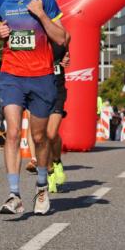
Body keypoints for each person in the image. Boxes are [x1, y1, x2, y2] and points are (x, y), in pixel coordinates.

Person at [0, 0, 68, 216]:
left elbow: (62, 38)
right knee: (12, 133)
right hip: (11, 75)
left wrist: (41, 16)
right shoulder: (3, 2)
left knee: (39, 137)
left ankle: (41, 186)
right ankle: (14, 195)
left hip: (41, 77)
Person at [46, 42, 71, 193]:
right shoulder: (35, 37)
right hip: (39, 92)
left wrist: (66, 59)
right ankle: (49, 173)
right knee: (42, 136)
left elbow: (66, 55)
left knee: (51, 134)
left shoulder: (59, 40)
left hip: (57, 92)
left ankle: (57, 161)